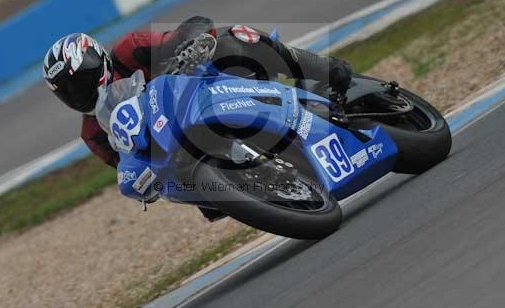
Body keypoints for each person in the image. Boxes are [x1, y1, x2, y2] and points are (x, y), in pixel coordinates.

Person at [43, 16, 352, 220]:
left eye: (81, 81)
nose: (78, 93)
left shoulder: (130, 50)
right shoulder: (93, 132)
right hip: (180, 153)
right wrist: (137, 182)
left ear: (98, 61)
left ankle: (321, 67)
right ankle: (250, 187)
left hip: (207, 87)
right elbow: (125, 164)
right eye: (68, 92)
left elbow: (190, 28)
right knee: (196, 197)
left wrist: (190, 45)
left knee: (236, 36)